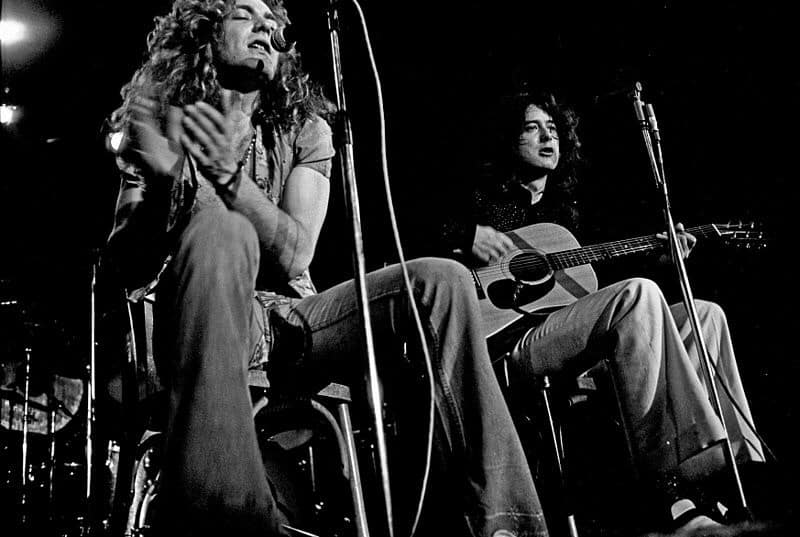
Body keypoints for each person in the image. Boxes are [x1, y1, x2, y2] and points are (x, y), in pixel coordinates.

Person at [102, 1, 549, 536]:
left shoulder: (304, 126)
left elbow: (296, 255)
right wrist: (167, 183)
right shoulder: (163, 116)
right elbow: (121, 262)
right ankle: (232, 514)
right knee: (224, 233)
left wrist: (227, 179)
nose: (267, 25)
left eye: (274, 19)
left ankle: (509, 522)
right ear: (204, 30)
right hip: (200, 316)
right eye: (246, 13)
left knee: (441, 280)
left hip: (292, 318)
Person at [431, 88, 766, 534]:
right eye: (532, 128)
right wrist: (465, 232)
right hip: (508, 344)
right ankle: (661, 491)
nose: (547, 138)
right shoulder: (479, 196)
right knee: (637, 296)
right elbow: (408, 222)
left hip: (569, 336)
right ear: (508, 139)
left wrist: (659, 259)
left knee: (703, 314)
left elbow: (601, 289)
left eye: (553, 129)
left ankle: (722, 469)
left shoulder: (571, 215)